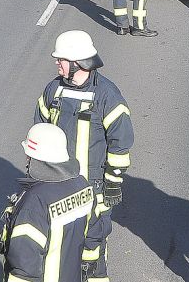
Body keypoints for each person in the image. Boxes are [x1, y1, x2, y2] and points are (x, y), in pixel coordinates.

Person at [34, 30, 134, 282]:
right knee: (57, 242)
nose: (56, 63)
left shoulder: (107, 97)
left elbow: (120, 146)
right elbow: (39, 132)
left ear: (78, 63)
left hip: (92, 187)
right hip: (55, 184)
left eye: (61, 59)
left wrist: (113, 183)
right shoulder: (52, 90)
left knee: (93, 245)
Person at [0, 123, 97, 282]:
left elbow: (24, 267)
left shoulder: (35, 202)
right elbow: (94, 236)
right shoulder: (82, 185)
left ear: (35, 158)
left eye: (28, 155)